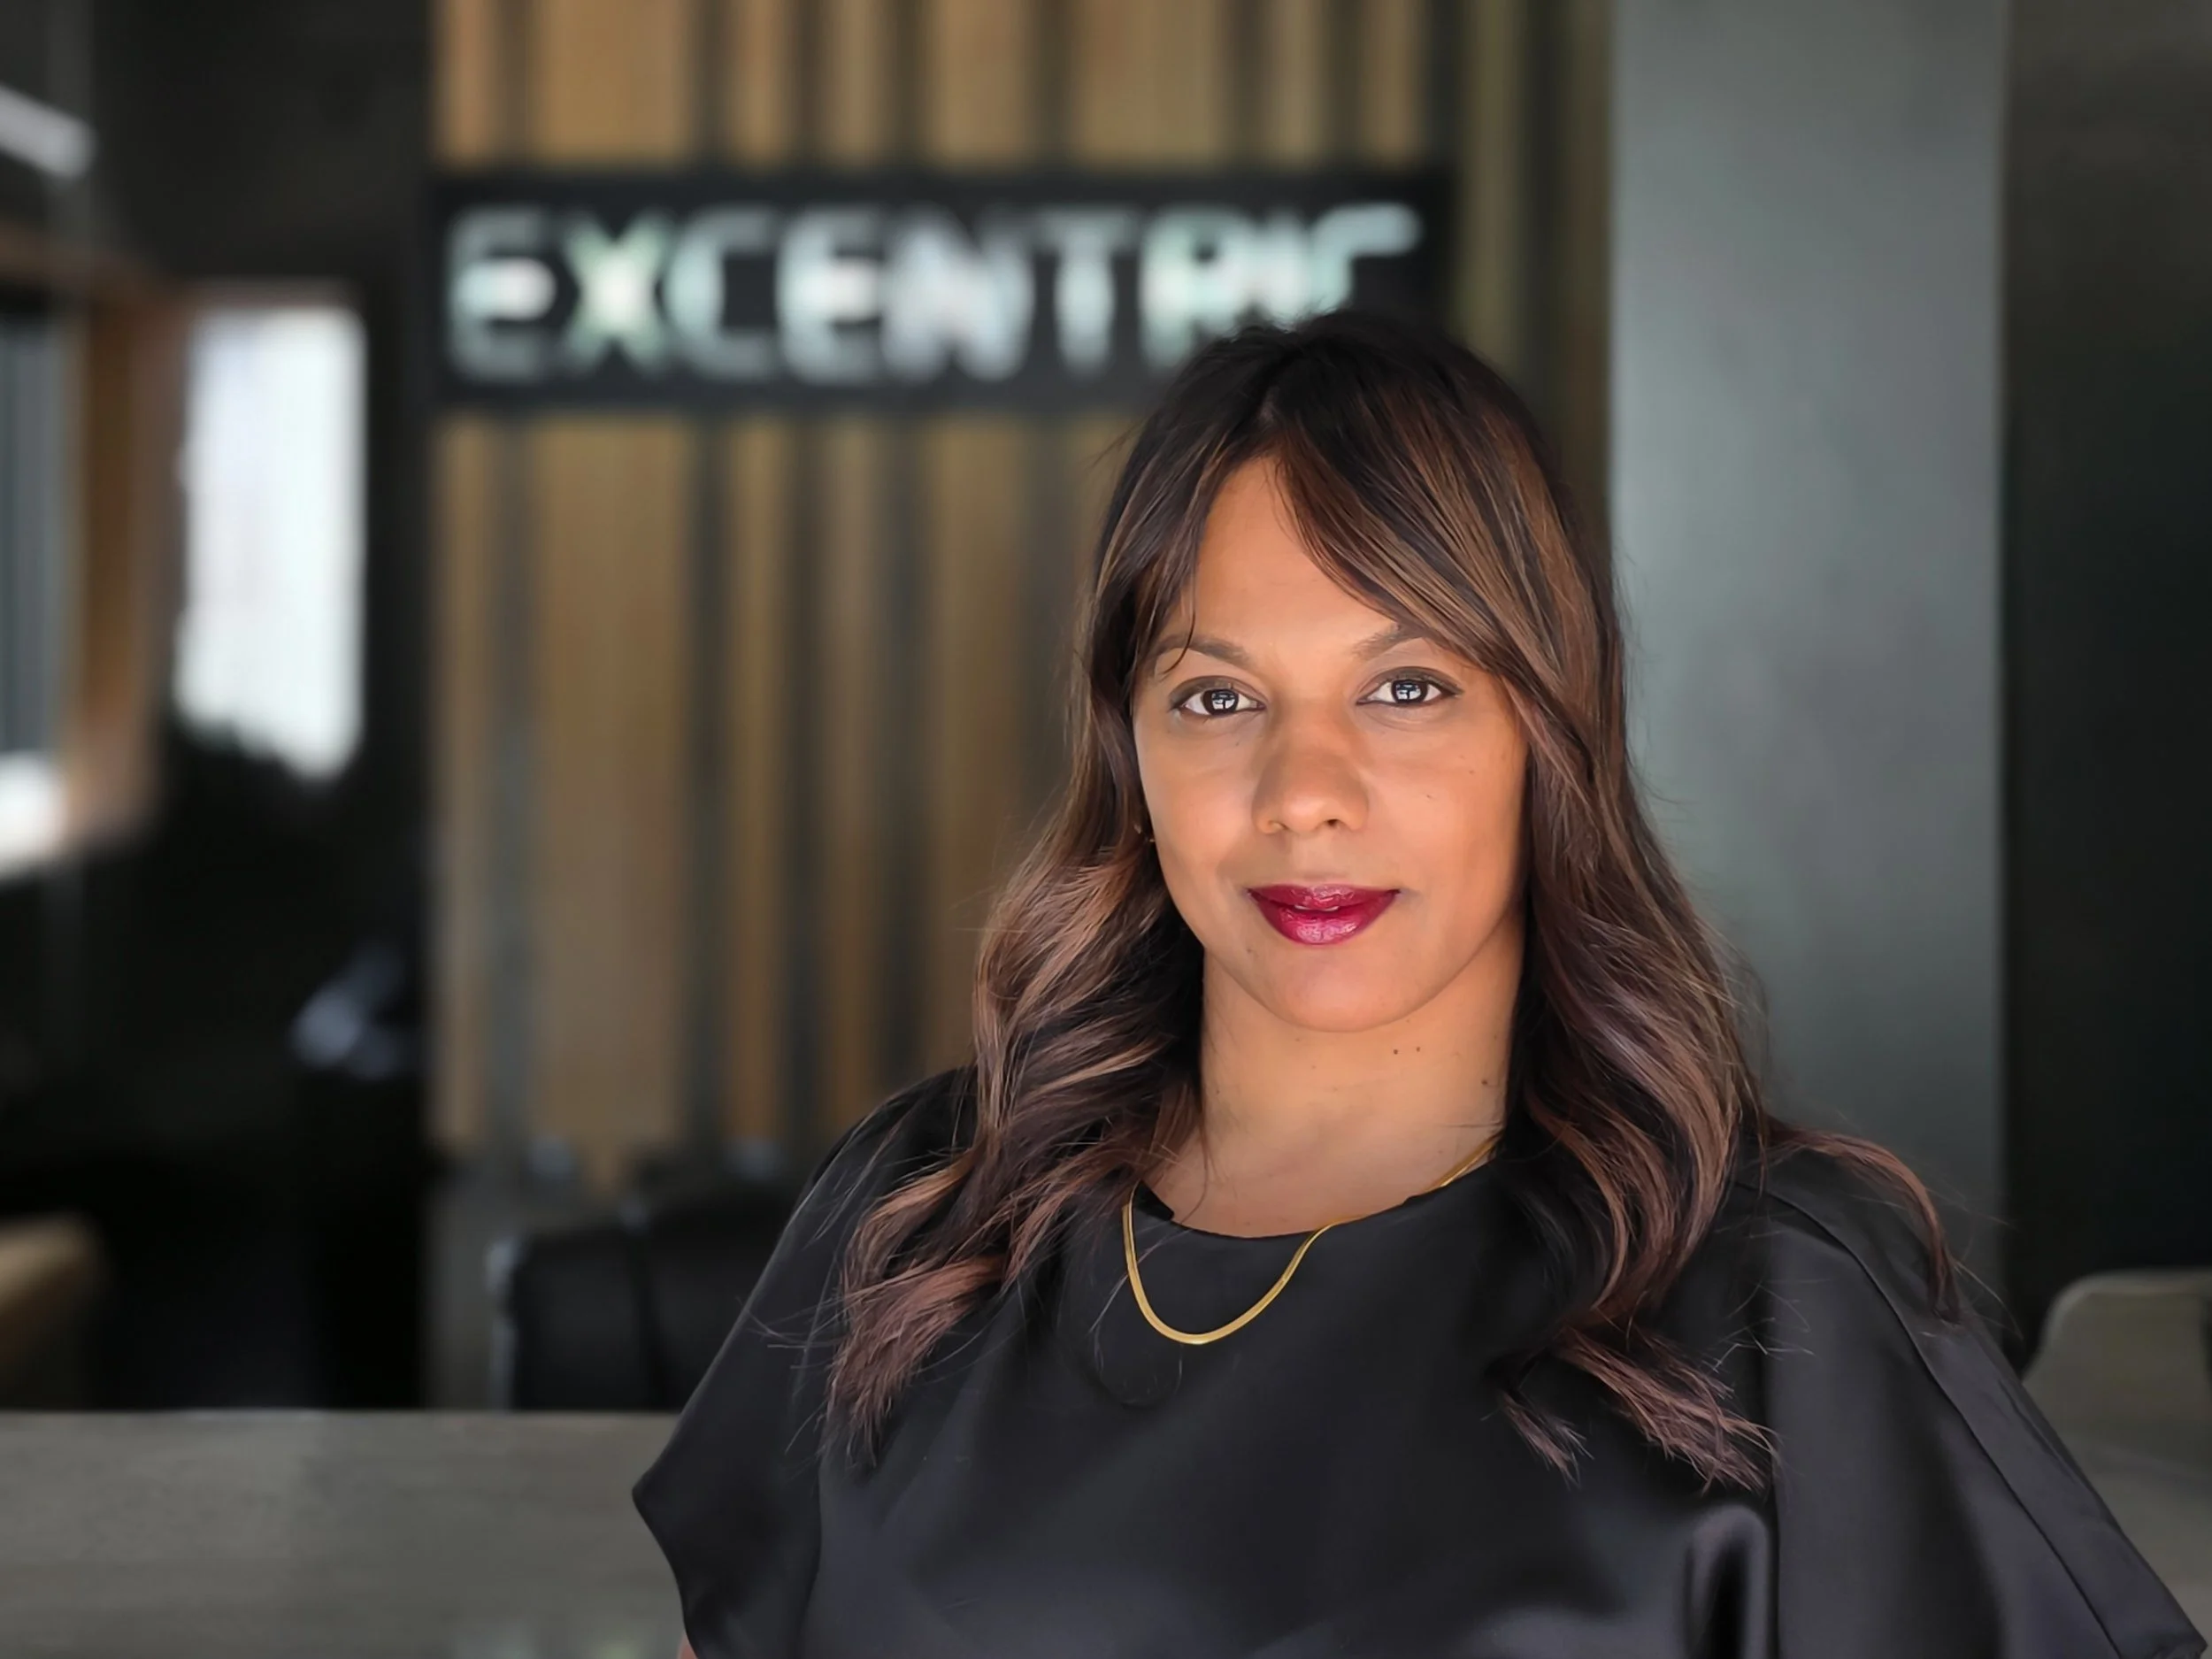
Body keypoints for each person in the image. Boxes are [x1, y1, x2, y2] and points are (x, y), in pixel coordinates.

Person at [634, 313, 2201, 1658]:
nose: (1303, 788)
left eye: (1406, 687)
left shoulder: (1778, 1299)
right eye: (1217, 694)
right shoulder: (927, 1218)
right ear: (1132, 755)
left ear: (1548, 727)